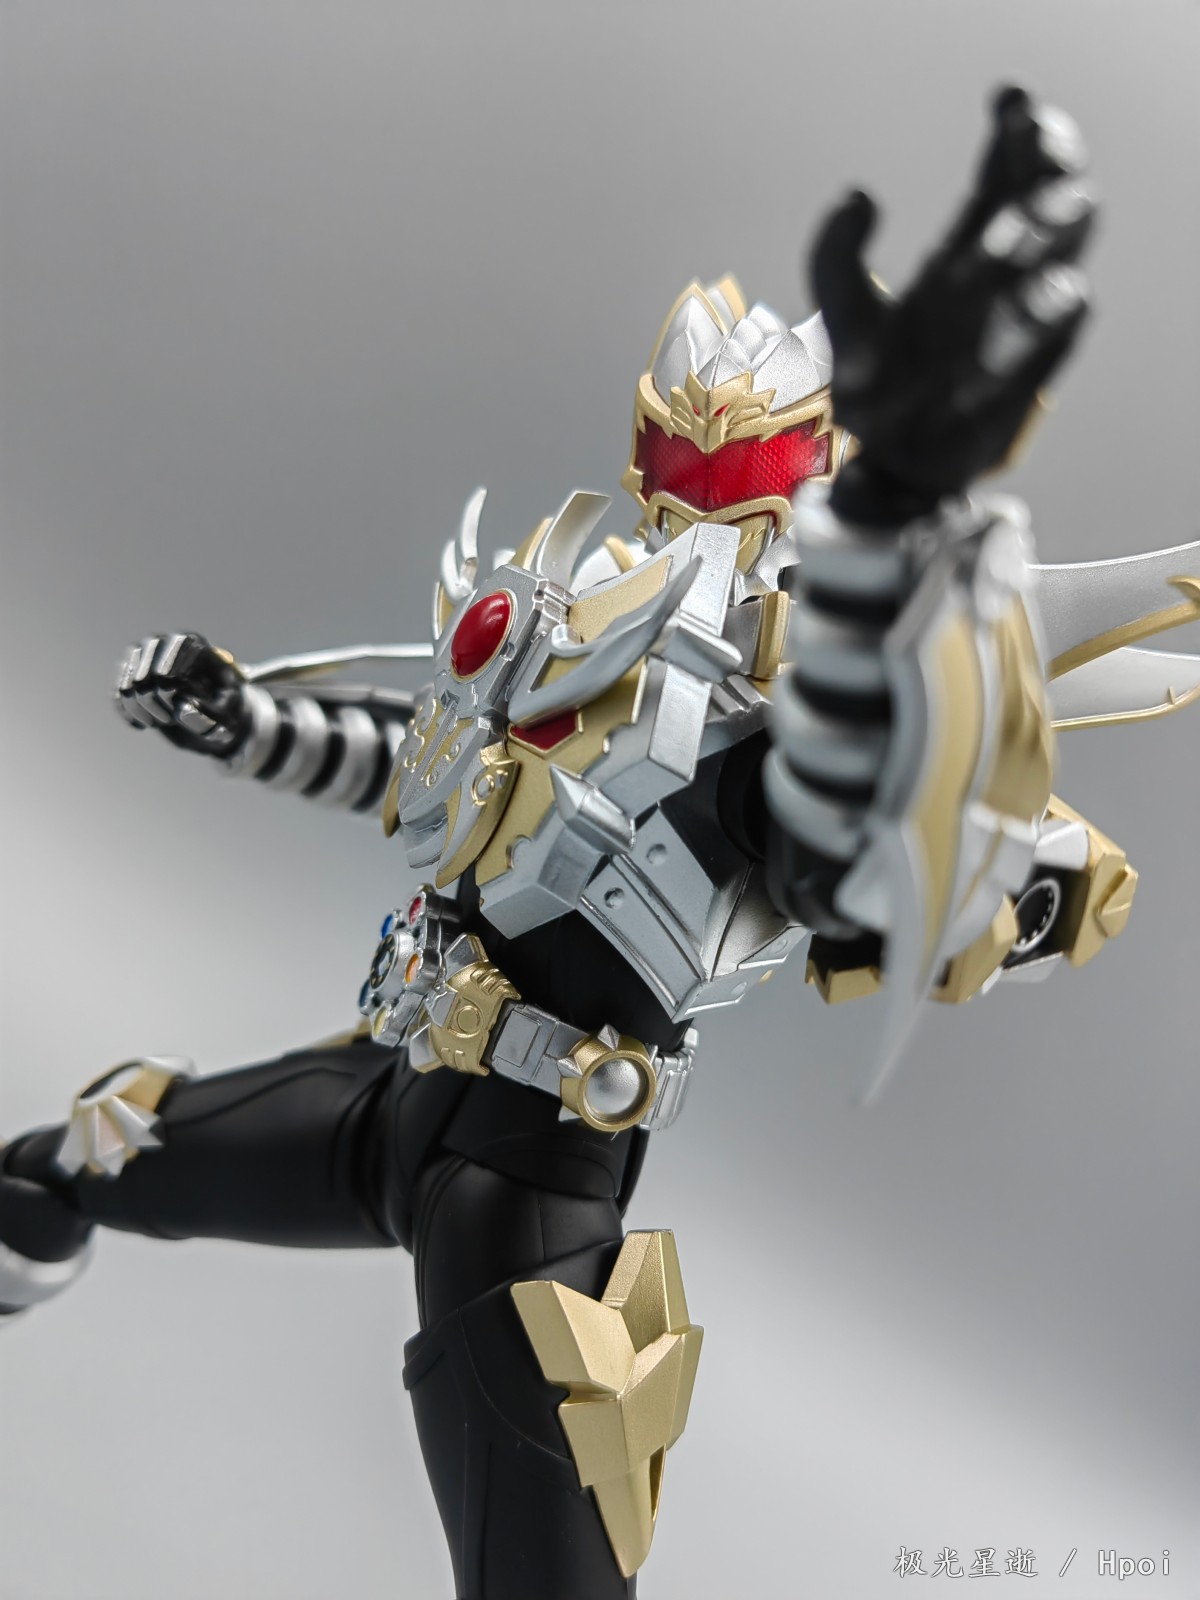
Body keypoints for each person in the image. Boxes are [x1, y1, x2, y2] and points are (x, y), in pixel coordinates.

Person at [2, 89, 1195, 1599]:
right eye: (677, 446)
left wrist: (902, 533)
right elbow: (420, 778)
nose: (692, 487)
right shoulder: (558, 619)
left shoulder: (782, 727)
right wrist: (241, 721)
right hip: (388, 1095)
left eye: (730, 458)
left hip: (528, 1186)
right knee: (87, 1152)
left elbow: (835, 845)